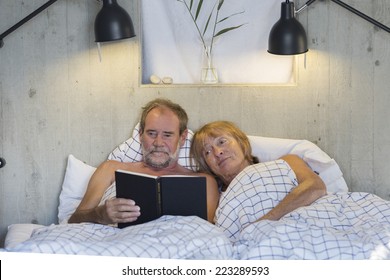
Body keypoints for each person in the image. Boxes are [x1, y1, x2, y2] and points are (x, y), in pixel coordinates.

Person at [68, 98, 219, 225]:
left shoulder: (204, 182)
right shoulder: (110, 170)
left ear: (182, 137)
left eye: (167, 135)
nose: (158, 143)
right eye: (151, 133)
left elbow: (208, 234)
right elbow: (73, 221)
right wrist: (100, 214)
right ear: (140, 135)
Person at [190, 120, 326, 222]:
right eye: (207, 151)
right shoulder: (214, 197)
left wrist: (265, 222)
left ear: (242, 143)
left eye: (222, 142)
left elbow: (316, 188)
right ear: (207, 165)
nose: (218, 152)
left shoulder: (286, 162)